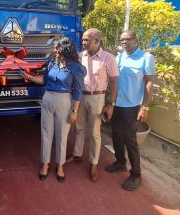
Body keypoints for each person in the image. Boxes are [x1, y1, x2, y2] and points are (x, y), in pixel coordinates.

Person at [21, 36, 86, 183]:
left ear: (65, 49)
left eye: (57, 48)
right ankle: (45, 163)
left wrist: (75, 111)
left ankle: (60, 165)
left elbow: (77, 91)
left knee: (62, 135)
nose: (54, 50)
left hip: (65, 101)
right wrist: (29, 77)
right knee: (46, 133)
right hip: (48, 99)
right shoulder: (51, 63)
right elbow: (44, 80)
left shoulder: (77, 68)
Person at [105, 30, 155, 191]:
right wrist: (110, 102)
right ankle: (120, 162)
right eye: (122, 40)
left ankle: (136, 175)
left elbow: (149, 83)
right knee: (116, 135)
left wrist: (144, 106)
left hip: (132, 106)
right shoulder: (119, 57)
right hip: (117, 104)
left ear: (135, 40)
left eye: (128, 39)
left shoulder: (146, 58)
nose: (124, 42)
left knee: (130, 140)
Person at [66, 28, 119, 182]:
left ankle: (94, 163)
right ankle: (77, 154)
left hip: (98, 97)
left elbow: (114, 81)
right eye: (83, 40)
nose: (83, 43)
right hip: (80, 96)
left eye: (86, 40)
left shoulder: (108, 58)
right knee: (79, 127)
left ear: (97, 40)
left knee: (95, 132)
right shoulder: (80, 56)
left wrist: (112, 104)